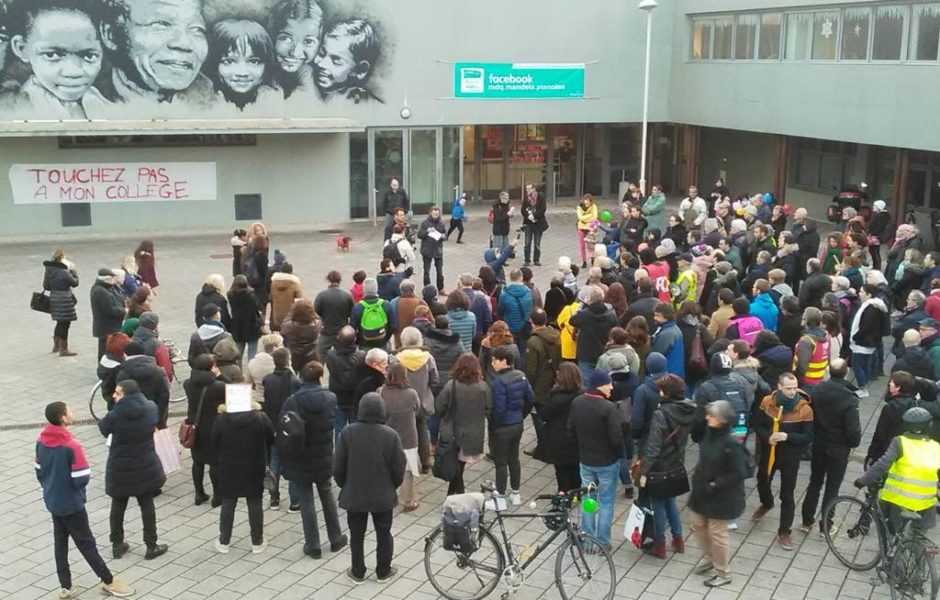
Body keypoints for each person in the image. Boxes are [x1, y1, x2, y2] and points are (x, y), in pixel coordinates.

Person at [36, 401, 135, 598]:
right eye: (69, 410)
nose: (72, 412)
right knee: (86, 543)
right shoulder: (71, 445)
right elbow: (82, 477)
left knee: (60, 543)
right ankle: (108, 580)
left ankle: (66, 586)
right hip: (72, 504)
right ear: (63, 418)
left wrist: (51, 488)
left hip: (53, 501)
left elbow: (39, 471)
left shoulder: (41, 441)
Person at [333, 392, 405, 585]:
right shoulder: (391, 435)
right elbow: (399, 468)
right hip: (382, 495)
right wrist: (392, 486)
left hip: (354, 494)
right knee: (384, 533)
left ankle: (357, 571)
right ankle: (383, 570)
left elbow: (338, 466)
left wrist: (344, 484)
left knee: (356, 535)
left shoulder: (348, 433)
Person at [98, 380, 168, 561]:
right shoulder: (151, 408)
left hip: (120, 466)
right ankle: (151, 546)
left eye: (118, 393)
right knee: (146, 504)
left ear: (126, 395)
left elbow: (103, 429)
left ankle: (117, 544)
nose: (114, 396)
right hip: (145, 463)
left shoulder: (115, 415)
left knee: (118, 504)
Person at [98, 0, 210, 104]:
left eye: (197, 29)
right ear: (111, 35)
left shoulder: (216, 99)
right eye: (162, 24)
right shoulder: (88, 103)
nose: (184, 44)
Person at [688, 400, 747, 588]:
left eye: (711, 416)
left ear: (721, 420)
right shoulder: (708, 432)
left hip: (721, 496)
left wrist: (716, 483)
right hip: (703, 490)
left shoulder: (731, 443)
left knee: (717, 533)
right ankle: (711, 558)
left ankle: (723, 573)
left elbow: (741, 471)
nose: (707, 418)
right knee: (697, 524)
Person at [752, 373, 814, 551]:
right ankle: (767, 503)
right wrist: (767, 437)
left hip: (790, 456)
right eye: (788, 388)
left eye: (794, 388)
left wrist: (788, 436)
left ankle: (784, 531)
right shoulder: (767, 402)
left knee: (788, 493)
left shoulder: (805, 409)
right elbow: (758, 424)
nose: (792, 392)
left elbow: (808, 436)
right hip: (769, 452)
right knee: (762, 480)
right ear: (779, 387)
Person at [799, 359, 861, 534]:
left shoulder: (817, 390)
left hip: (819, 443)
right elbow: (853, 430)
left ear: (828, 371)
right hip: (839, 447)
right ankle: (826, 523)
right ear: (846, 372)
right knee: (832, 487)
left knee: (814, 482)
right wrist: (853, 443)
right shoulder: (849, 398)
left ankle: (806, 520)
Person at [854, 407, 939, 532]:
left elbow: (882, 464)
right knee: (920, 532)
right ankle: (917, 548)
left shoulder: (900, 442)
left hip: (898, 499)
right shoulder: (935, 446)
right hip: (926, 501)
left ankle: (888, 547)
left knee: (890, 528)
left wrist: (863, 480)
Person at [638, 375, 694, 559]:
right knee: (670, 502)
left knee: (658, 506)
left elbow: (653, 448)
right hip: (676, 463)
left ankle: (659, 545)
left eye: (661, 389)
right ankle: (678, 540)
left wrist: (644, 473)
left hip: (659, 468)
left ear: (666, 392)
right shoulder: (688, 409)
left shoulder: (661, 414)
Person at [211, 394, 275, 554]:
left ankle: (224, 540)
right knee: (254, 502)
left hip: (228, 467)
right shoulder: (261, 418)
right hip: (254, 466)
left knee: (228, 502)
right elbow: (271, 439)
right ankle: (257, 541)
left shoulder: (221, 420)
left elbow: (214, 443)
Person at [568, 369, 623, 550]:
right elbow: (616, 438)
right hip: (607, 462)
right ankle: (603, 542)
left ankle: (587, 540)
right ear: (600, 386)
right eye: (608, 384)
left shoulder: (577, 402)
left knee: (588, 500)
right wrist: (618, 455)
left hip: (586, 461)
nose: (611, 387)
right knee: (606, 502)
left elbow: (571, 430)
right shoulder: (608, 408)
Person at [436, 354, 491, 495]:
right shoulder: (483, 387)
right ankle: (455, 495)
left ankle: (456, 496)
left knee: (457, 467)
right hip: (473, 434)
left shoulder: (451, 385)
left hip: (453, 432)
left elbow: (440, 407)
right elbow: (488, 408)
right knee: (459, 466)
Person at [488, 346, 535, 504]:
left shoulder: (498, 382)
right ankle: (515, 494)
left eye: (495, 360)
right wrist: (521, 415)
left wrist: (494, 425)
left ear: (504, 361)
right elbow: (530, 398)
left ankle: (500, 497)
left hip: (503, 426)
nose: (492, 363)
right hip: (517, 424)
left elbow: (499, 408)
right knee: (514, 458)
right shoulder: (521, 376)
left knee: (500, 462)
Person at [392, 327, 439, 474]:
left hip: (401, 402)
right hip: (423, 402)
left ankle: (401, 463)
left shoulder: (396, 358)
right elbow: (435, 380)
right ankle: (426, 463)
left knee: (401, 431)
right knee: (423, 429)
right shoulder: (428, 358)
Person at [184, 354, 228, 506]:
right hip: (213, 427)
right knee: (214, 462)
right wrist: (220, 375)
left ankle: (199, 493)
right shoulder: (218, 386)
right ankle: (217, 496)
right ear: (211, 368)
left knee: (198, 462)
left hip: (194, 426)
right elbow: (235, 391)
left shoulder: (187, 384)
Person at [206, 19, 277, 109]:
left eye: (254, 61)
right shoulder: (202, 103)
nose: (242, 73)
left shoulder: (276, 101)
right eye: (229, 61)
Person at [379, 364, 421, 512]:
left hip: (387, 435)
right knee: (407, 469)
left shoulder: (382, 392)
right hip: (408, 436)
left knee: (386, 467)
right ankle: (408, 500)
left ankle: (386, 496)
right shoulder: (411, 393)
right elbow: (417, 409)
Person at [261, 347, 299, 510]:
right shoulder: (294, 380)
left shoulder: (268, 380)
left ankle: (274, 498)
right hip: (290, 427)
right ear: (288, 360)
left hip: (273, 425)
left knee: (274, 461)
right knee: (292, 463)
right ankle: (295, 502)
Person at [313, 19, 381, 104]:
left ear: (360, 70)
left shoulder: (368, 106)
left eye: (336, 60)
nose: (321, 64)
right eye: (321, 54)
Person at [539, 363, 582, 492]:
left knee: (561, 469)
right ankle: (576, 492)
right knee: (575, 466)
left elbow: (544, 415)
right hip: (576, 436)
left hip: (558, 437)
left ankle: (563, 494)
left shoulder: (555, 397)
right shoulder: (581, 395)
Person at [866, 371, 921, 468]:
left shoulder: (891, 407)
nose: (889, 384)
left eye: (892, 382)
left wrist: (872, 454)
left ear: (898, 387)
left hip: (888, 448)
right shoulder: (915, 405)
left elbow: (880, 433)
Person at [524, 308, 560, 456]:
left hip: (539, 385)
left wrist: (528, 388)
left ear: (532, 322)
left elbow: (531, 370)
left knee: (538, 416)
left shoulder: (533, 342)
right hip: (553, 380)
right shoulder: (556, 335)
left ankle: (542, 447)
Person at [570, 285, 618, 386]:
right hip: (603, 352)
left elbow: (572, 320)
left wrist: (582, 306)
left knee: (586, 383)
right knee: (602, 382)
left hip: (586, 354)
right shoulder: (610, 315)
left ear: (589, 299)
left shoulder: (584, 314)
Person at [116, 341, 170, 429]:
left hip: (132, 419)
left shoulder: (123, 374)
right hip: (155, 416)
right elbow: (164, 395)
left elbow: (121, 397)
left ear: (125, 354)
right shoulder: (158, 371)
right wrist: (158, 416)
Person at [325, 325, 365, 441]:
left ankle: (339, 454)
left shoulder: (331, 355)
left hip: (338, 397)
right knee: (356, 430)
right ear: (354, 340)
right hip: (354, 398)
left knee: (339, 430)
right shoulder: (361, 356)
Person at [849, 284, 889, 397]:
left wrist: (855, 337)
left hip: (863, 342)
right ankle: (864, 385)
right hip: (870, 342)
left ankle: (862, 387)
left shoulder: (870, 309)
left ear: (869, 294)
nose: (859, 294)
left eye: (862, 292)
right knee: (865, 365)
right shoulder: (875, 307)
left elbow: (865, 327)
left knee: (857, 365)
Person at [43, 250, 79, 356]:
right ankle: (64, 349)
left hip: (54, 298)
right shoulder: (64, 272)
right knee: (65, 323)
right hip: (64, 299)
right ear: (62, 259)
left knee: (59, 322)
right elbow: (75, 283)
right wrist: (73, 270)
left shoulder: (49, 270)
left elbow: (46, 286)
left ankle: (56, 346)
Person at [497, 268, 534, 369]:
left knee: (509, 354)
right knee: (522, 354)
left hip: (509, 329)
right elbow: (530, 310)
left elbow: (499, 311)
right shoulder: (529, 293)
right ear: (521, 278)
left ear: (510, 278)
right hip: (524, 328)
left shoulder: (504, 295)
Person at [314, 271, 354, 358]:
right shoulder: (347, 295)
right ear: (340, 280)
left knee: (320, 355)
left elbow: (316, 312)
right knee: (344, 356)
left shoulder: (321, 295)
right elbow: (352, 313)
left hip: (327, 331)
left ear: (328, 280)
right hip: (342, 332)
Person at [91, 269, 127, 360]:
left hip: (108, 326)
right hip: (106, 327)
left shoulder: (106, 288)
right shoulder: (101, 292)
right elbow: (110, 310)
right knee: (105, 350)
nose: (114, 281)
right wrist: (124, 311)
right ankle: (104, 369)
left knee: (107, 348)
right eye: (113, 278)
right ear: (107, 279)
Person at [227, 275, 263, 362]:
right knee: (252, 352)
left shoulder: (230, 295)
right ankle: (251, 371)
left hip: (237, 326)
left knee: (238, 352)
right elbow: (259, 306)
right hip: (252, 325)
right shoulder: (251, 295)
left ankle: (238, 372)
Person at [793, 307, 831, 389]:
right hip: (819, 380)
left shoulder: (806, 341)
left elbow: (802, 368)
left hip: (806, 382)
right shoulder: (826, 337)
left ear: (805, 320)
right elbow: (828, 359)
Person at [352, 278, 394, 349]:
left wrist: (359, 341)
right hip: (382, 343)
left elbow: (353, 328)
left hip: (364, 345)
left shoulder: (357, 307)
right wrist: (385, 339)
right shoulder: (386, 305)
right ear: (376, 289)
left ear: (364, 290)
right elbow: (393, 327)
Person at [281, 299, 322, 369]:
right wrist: (309, 309)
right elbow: (317, 317)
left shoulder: (289, 326)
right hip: (311, 354)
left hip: (294, 355)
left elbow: (284, 324)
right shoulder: (316, 325)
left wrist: (294, 310)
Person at [650, 302, 685, 379]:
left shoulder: (666, 334)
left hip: (667, 374)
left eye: (658, 316)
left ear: (667, 317)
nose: (655, 318)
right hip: (676, 372)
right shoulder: (674, 329)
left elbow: (656, 354)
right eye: (655, 315)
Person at [417, 206, 446, 291]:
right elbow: (419, 235)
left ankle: (441, 289)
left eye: (437, 214)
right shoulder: (425, 223)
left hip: (438, 250)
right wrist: (427, 231)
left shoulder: (441, 223)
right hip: (427, 250)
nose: (435, 216)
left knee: (440, 272)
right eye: (434, 214)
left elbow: (444, 235)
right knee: (426, 272)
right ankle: (427, 290)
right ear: (430, 213)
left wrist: (444, 237)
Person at [269, 263, 304, 332]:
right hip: (290, 316)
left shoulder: (273, 284)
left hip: (277, 315)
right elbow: (300, 301)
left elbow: (272, 297)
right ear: (291, 272)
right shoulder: (295, 284)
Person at [521, 183, 548, 266]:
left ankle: (536, 260)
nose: (527, 190)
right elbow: (522, 209)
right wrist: (528, 215)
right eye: (526, 189)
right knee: (527, 242)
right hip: (528, 223)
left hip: (538, 223)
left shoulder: (541, 197)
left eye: (528, 189)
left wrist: (534, 215)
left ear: (534, 189)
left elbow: (543, 209)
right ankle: (527, 260)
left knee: (537, 243)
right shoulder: (526, 198)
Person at [576, 194, 598, 269]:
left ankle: (592, 258)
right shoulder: (579, 207)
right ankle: (584, 261)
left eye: (588, 200)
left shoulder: (593, 206)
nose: (587, 202)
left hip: (590, 228)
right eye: (585, 200)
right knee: (582, 245)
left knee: (591, 245)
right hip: (581, 227)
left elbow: (595, 217)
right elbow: (580, 217)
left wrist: (586, 219)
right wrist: (590, 216)